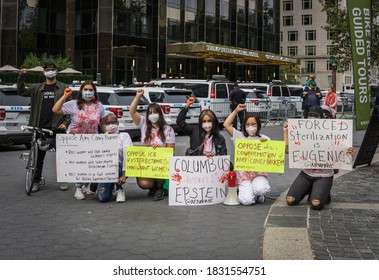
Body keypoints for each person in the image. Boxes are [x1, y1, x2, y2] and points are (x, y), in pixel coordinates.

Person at [283, 105, 355, 210]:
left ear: (321, 118)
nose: (312, 118)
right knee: (290, 200)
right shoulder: (302, 133)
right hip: (306, 174)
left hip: (324, 175)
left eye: (315, 116)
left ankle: (323, 193)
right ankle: (310, 189)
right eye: (310, 115)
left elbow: (341, 150)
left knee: (316, 204)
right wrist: (286, 132)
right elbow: (287, 150)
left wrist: (349, 152)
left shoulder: (331, 133)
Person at [17, 61, 71, 193]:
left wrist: (66, 123)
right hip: (39, 127)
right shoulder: (37, 88)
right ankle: (36, 181)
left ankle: (63, 179)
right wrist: (21, 76)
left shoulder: (64, 88)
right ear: (43, 72)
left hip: (58, 128)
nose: (50, 71)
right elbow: (21, 91)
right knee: (37, 157)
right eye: (48, 69)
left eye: (52, 69)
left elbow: (69, 109)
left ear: (56, 71)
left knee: (62, 156)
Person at [52, 81, 108, 200]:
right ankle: (78, 189)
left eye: (90, 90)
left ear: (94, 92)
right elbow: (56, 109)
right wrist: (65, 96)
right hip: (76, 140)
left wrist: (108, 134)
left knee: (91, 164)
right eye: (85, 89)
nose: (88, 92)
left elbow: (102, 123)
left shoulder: (99, 106)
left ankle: (86, 186)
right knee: (80, 165)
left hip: (92, 139)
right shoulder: (73, 104)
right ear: (81, 91)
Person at [129, 88, 175, 201]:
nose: (153, 115)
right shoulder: (143, 124)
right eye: (150, 113)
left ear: (160, 113)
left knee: (162, 167)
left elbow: (171, 151)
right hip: (147, 161)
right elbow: (132, 111)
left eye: (155, 112)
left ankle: (159, 188)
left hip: (161, 162)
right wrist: (137, 97)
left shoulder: (168, 129)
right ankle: (153, 187)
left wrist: (160, 151)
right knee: (143, 183)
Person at [224, 103, 271, 205]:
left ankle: (260, 194)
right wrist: (236, 111)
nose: (251, 127)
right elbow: (226, 125)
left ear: (258, 125)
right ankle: (252, 194)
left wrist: (266, 146)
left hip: (259, 174)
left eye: (253, 124)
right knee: (246, 201)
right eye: (248, 124)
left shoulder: (264, 138)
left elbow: (273, 157)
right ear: (244, 126)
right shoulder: (239, 137)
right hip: (244, 176)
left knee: (261, 189)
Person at [95, 112, 133, 203]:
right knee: (102, 198)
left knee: (114, 162)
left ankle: (119, 189)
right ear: (104, 125)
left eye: (114, 122)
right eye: (108, 123)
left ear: (118, 123)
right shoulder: (101, 138)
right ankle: (109, 186)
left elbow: (127, 155)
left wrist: (124, 175)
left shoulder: (124, 136)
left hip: (119, 168)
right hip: (104, 171)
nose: (111, 125)